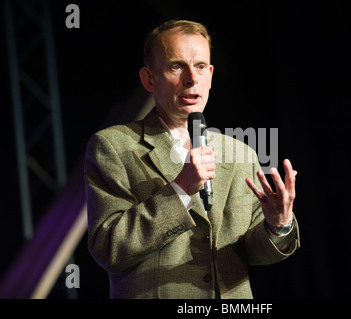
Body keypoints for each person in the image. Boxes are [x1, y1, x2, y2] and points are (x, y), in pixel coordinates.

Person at [84, 19, 300, 299]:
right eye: (176, 66)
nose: (191, 78)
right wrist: (180, 188)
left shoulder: (240, 153)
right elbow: (109, 249)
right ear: (149, 79)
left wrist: (278, 224)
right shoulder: (113, 145)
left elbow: (253, 252)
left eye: (200, 67)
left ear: (210, 74)